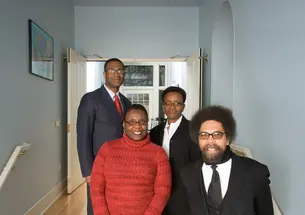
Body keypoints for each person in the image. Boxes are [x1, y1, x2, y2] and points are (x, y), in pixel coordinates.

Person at [181, 105, 274, 215]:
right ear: (198, 140)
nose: (210, 140)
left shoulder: (256, 172)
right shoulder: (187, 174)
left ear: (228, 139)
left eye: (217, 134)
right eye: (204, 135)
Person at [90, 104, 172, 215]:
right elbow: (96, 188)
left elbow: (163, 191)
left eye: (142, 122)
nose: (137, 127)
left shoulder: (158, 153)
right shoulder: (107, 149)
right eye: (132, 122)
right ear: (124, 124)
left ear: (147, 124)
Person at [76, 58, 132, 215]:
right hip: (99, 166)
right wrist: (87, 171)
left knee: (119, 206)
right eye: (113, 70)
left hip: (123, 165)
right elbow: (83, 137)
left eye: (120, 71)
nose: (117, 74)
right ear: (105, 74)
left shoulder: (126, 102)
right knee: (97, 207)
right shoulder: (91, 99)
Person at [150, 86, 201, 215]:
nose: (172, 107)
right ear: (163, 106)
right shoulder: (155, 132)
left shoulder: (194, 130)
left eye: (177, 103)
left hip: (184, 193)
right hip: (159, 191)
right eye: (168, 103)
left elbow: (198, 164)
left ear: (183, 106)